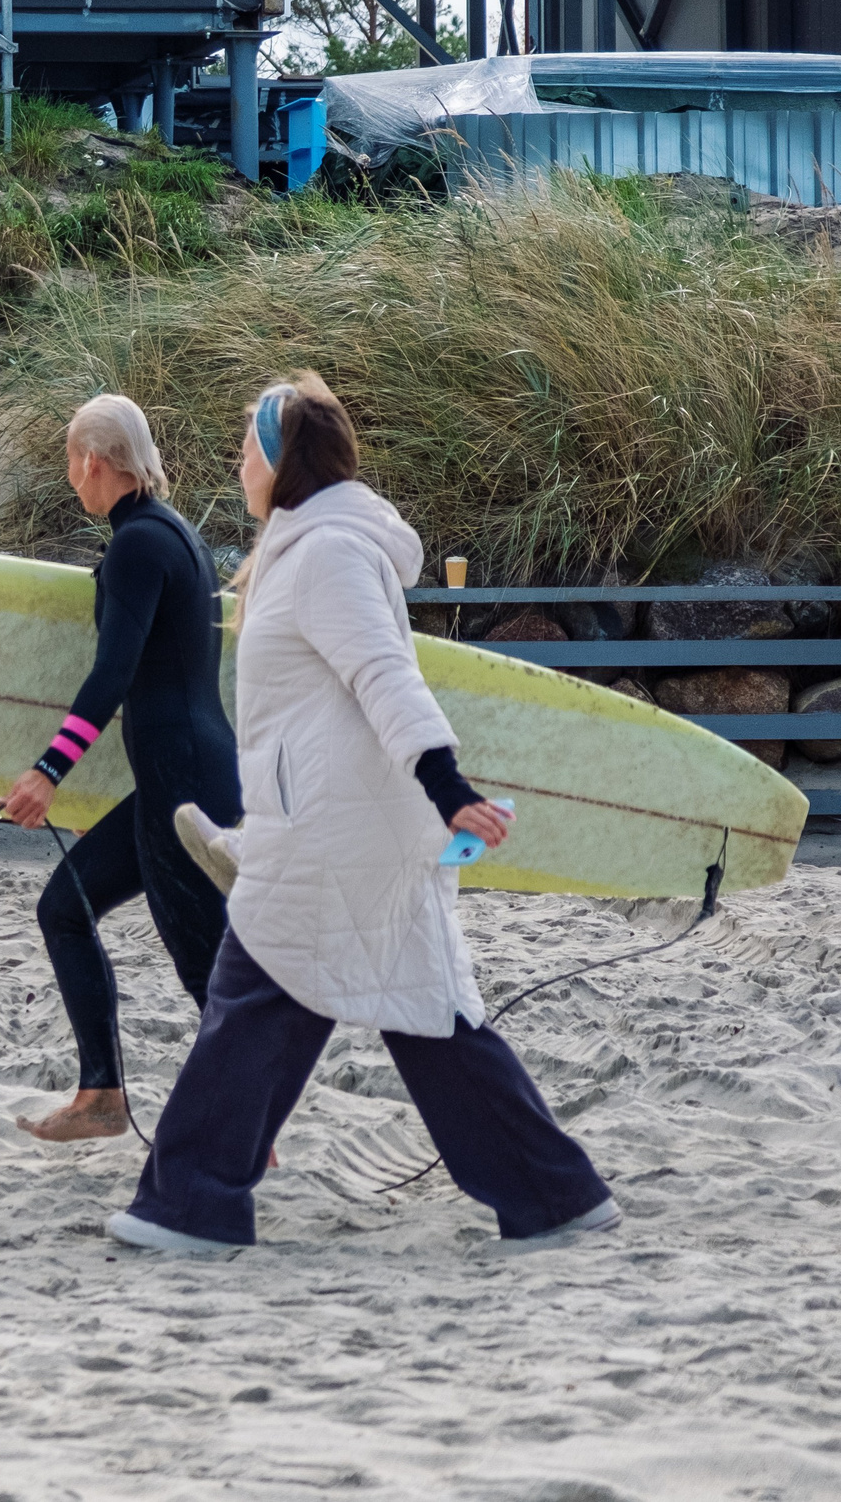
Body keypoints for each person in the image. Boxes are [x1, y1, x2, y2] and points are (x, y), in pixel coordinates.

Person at [111, 375, 619, 1254]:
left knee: (254, 999)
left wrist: (450, 785)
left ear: (280, 459)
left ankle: (190, 1202)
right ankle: (554, 1195)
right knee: (427, 1021)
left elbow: (388, 676)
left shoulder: (327, 554)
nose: (238, 464)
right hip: (334, 829)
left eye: (247, 450)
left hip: (333, 838)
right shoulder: (307, 544)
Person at [0, 395, 244, 1143]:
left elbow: (112, 676)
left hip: (181, 785)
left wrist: (48, 771)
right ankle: (102, 1095)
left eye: (73, 463)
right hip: (182, 772)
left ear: (94, 462)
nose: (72, 478)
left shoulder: (139, 545)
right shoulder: (177, 534)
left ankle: (245, 1123)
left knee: (201, 958)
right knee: (65, 907)